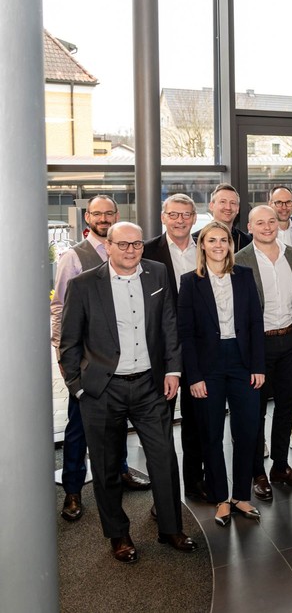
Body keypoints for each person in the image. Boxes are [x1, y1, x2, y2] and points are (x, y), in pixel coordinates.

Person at [59, 222, 196, 563]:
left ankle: (170, 527)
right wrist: (78, 388)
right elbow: (69, 342)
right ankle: (118, 534)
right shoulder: (83, 284)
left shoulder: (157, 273)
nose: (131, 250)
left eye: (136, 244)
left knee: (164, 459)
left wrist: (173, 370)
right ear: (108, 246)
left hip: (150, 385)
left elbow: (169, 324)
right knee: (106, 468)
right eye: (122, 244)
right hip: (103, 390)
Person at [53, 196, 153, 526]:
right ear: (88, 217)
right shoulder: (73, 256)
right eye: (97, 213)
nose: (104, 218)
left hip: (123, 363)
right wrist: (67, 365)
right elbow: (60, 308)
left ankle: (120, 470)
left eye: (109, 213)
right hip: (89, 365)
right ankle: (72, 489)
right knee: (78, 429)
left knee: (117, 424)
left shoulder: (129, 251)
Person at [177, 222, 265, 527]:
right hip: (208, 368)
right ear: (202, 245)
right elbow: (186, 334)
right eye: (211, 240)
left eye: (223, 240)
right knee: (211, 434)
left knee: (247, 431)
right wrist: (194, 376)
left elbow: (255, 322)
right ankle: (220, 498)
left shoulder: (244, 276)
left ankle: (240, 496)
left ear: (230, 244)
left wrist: (258, 366)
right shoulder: (190, 282)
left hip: (243, 363)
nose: (218, 245)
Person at [235, 206, 292, 501]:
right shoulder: (240, 259)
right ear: (249, 227)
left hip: (290, 340)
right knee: (256, 411)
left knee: (286, 406)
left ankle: (280, 466)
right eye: (260, 223)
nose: (267, 227)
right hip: (259, 345)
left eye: (271, 221)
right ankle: (258, 473)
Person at [142, 193, 206, 502]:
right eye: (173, 214)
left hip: (197, 347)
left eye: (186, 215)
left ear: (194, 218)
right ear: (163, 217)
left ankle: (194, 483)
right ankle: (164, 497)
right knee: (160, 427)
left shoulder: (205, 249)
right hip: (160, 350)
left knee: (197, 421)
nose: (180, 220)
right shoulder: (146, 251)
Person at [199, 183, 250, 251]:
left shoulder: (247, 241)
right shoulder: (197, 240)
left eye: (232, 203)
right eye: (223, 202)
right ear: (211, 206)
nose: (228, 207)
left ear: (237, 209)